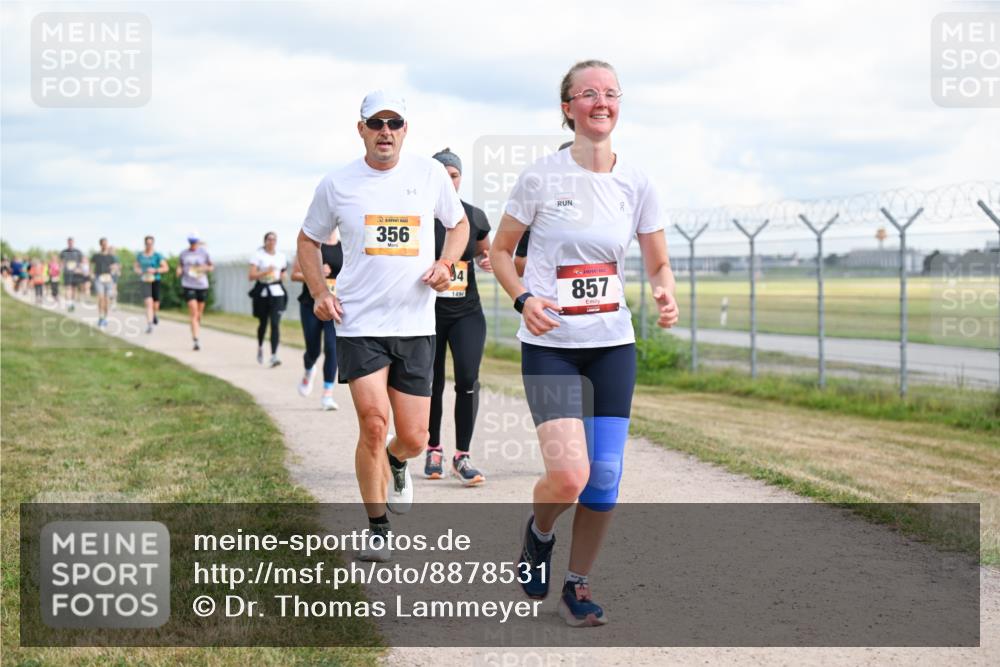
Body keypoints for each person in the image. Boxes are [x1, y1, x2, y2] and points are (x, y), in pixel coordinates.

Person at [491, 60, 679, 627]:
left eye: (611, 93)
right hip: (551, 344)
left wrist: (664, 291)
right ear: (568, 107)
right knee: (570, 476)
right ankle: (539, 532)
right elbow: (500, 253)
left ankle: (577, 584)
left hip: (611, 344)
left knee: (604, 477)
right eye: (588, 93)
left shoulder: (638, 181)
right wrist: (525, 299)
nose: (601, 101)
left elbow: (658, 259)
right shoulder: (540, 178)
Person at [298, 90, 469, 562]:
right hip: (359, 323)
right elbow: (308, 239)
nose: (385, 131)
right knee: (374, 424)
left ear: (405, 130)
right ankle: (377, 527)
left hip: (416, 324)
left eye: (394, 123)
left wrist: (447, 263)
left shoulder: (430, 174)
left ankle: (398, 462)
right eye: (376, 123)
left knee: (413, 436)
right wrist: (319, 293)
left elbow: (457, 226)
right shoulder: (338, 184)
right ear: (361, 130)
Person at [424, 148, 492, 486]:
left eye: (454, 175)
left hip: (467, 312)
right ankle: (433, 448)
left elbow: (484, 250)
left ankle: (462, 456)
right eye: (443, 175)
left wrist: (487, 260)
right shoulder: (420, 215)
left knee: (467, 380)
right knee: (432, 383)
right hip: (428, 313)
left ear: (460, 178)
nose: (449, 181)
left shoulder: (474, 216)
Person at [291, 230, 342, 410]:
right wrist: (317, 274)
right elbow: (294, 274)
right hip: (310, 304)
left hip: (334, 305)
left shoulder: (344, 247)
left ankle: (327, 394)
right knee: (313, 349)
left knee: (331, 346)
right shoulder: (311, 245)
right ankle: (309, 369)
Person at [249, 231, 288, 367]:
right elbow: (251, 275)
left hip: (277, 292)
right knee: (263, 323)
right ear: (265, 241)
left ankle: (274, 355)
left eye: (274, 240)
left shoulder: (281, 256)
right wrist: (265, 272)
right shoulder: (258, 255)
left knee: (275, 324)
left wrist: (283, 276)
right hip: (263, 292)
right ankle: (260, 346)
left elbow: (283, 271)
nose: (272, 242)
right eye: (269, 239)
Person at [177, 232, 214, 351]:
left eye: (194, 241)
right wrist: (179, 271)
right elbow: (180, 265)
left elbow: (211, 266)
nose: (192, 244)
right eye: (191, 242)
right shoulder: (184, 253)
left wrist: (204, 268)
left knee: (199, 314)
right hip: (188, 284)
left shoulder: (204, 252)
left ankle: (196, 325)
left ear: (197, 242)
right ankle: (196, 340)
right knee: (193, 312)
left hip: (202, 285)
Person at [134, 236, 168, 333]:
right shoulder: (140, 255)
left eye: (150, 243)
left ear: (153, 244)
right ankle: (149, 325)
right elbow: (136, 267)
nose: (149, 245)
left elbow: (166, 268)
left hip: (155, 280)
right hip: (144, 280)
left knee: (155, 304)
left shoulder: (157, 255)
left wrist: (156, 270)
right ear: (145, 244)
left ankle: (154, 314)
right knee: (148, 302)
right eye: (147, 243)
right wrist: (139, 271)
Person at [91, 238, 119, 328]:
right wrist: (91, 274)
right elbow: (91, 265)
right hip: (99, 278)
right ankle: (101, 317)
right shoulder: (96, 256)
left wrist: (114, 270)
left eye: (106, 244)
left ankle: (105, 318)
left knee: (106, 300)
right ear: (100, 245)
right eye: (103, 244)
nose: (104, 245)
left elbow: (115, 266)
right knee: (100, 298)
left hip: (108, 279)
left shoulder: (111, 257)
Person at [59, 238, 84, 311]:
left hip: (75, 273)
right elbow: (61, 262)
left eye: (71, 242)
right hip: (67, 272)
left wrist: (80, 269)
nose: (70, 244)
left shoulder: (78, 252)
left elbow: (82, 261)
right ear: (67, 243)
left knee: (74, 288)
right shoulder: (63, 252)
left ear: (73, 243)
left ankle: (72, 302)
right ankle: (69, 303)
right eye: (69, 242)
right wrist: (61, 268)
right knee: (68, 287)